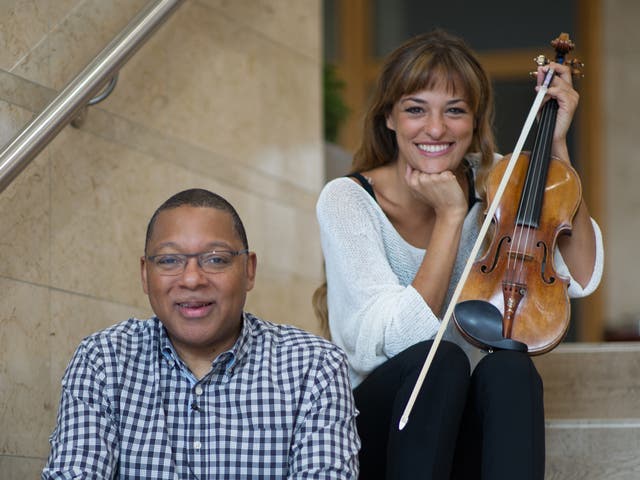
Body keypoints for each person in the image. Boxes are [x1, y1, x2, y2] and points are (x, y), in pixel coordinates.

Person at [315, 29, 604, 479]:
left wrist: (557, 147)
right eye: (416, 110)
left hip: (462, 425)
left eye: (455, 111)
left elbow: (582, 278)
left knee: (511, 368)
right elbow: (393, 344)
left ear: (474, 121)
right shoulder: (348, 200)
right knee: (441, 361)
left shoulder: (499, 182)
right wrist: (450, 217)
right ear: (388, 117)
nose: (435, 129)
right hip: (383, 428)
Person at [43, 188, 360, 479]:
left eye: (216, 259)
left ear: (249, 270)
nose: (192, 279)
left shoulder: (314, 366)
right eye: (169, 260)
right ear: (145, 274)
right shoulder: (104, 361)